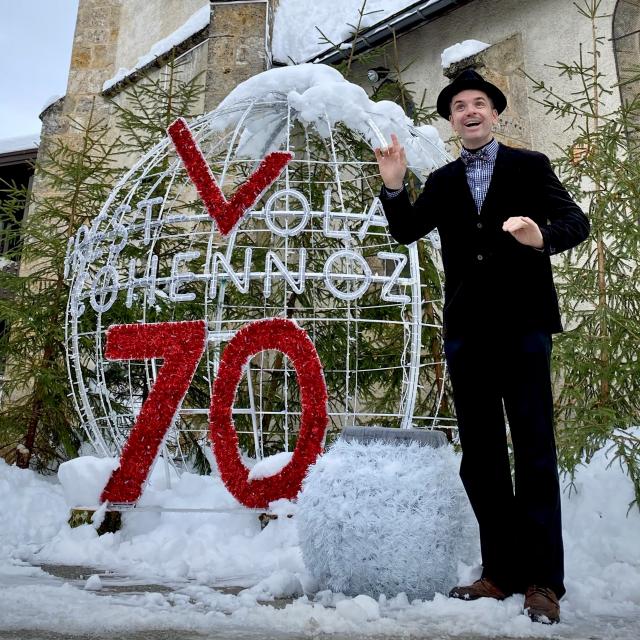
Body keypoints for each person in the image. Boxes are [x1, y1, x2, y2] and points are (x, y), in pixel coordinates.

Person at [375, 69, 589, 624]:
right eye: (459, 106)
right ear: (451, 121)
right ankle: (500, 572)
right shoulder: (443, 181)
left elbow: (575, 221)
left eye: (479, 103)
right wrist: (395, 185)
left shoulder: (529, 166)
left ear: (495, 113)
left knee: (535, 453)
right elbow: (406, 230)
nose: (469, 111)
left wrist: (540, 237)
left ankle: (544, 581)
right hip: (468, 334)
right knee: (483, 458)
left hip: (523, 328)